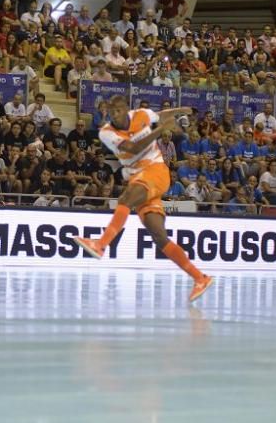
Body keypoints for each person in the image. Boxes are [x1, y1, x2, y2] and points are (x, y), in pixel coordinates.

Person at [73, 96, 212, 302]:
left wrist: (182, 110)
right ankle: (200, 278)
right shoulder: (106, 133)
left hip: (155, 170)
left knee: (125, 199)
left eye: (119, 110)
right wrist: (161, 129)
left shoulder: (141, 114)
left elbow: (161, 114)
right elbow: (133, 148)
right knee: (159, 236)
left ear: (126, 109)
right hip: (139, 177)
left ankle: (101, 244)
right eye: (112, 111)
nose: (115, 114)